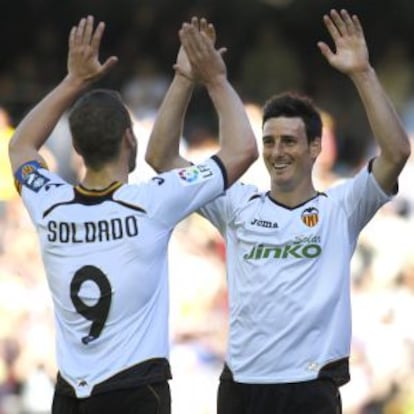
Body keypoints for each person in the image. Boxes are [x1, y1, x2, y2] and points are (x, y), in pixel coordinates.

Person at [145, 9, 411, 413]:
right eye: (269, 142)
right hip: (241, 388)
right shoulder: (236, 203)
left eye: (289, 141)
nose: (276, 152)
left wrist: (362, 73)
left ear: (315, 148)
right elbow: (162, 158)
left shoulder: (341, 208)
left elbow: (396, 152)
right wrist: (184, 79)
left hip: (309, 390)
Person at [8, 15, 257, 414]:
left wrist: (73, 81)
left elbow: (21, 147)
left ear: (77, 147)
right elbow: (243, 150)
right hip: (134, 391)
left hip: (71, 395)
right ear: (129, 137)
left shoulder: (49, 205)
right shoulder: (152, 202)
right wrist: (212, 78)